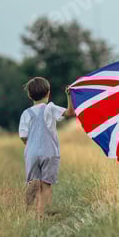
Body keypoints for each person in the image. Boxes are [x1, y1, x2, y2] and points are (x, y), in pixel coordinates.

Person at [18, 77, 75, 218]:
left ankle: (29, 209)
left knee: (33, 182)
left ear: (29, 95)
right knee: (47, 184)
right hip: (49, 151)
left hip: (31, 152)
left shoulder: (26, 113)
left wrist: (30, 145)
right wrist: (69, 96)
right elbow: (70, 113)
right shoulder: (50, 108)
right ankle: (42, 213)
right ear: (48, 93)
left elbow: (23, 136)